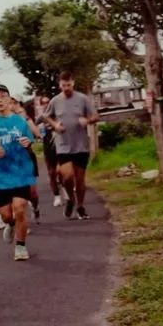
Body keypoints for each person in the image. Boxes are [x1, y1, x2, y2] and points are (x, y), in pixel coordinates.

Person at [0, 85, 38, 261]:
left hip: (20, 171)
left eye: (3, 96)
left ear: (9, 100)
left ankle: (21, 246)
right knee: (7, 215)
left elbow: (31, 141)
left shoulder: (20, 121)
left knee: (20, 209)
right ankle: (10, 224)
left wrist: (27, 143)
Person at [44, 72, 99, 220]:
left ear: (73, 83)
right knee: (67, 176)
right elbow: (46, 116)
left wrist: (87, 121)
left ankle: (80, 206)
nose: (66, 88)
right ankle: (70, 198)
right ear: (60, 85)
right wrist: (55, 124)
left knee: (80, 179)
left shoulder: (82, 99)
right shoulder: (55, 101)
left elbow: (95, 116)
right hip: (63, 145)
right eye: (63, 85)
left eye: (68, 85)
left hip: (80, 145)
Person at [36, 94, 64, 208]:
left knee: (60, 171)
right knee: (52, 173)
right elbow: (33, 127)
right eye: (43, 103)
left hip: (60, 145)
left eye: (48, 102)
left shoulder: (57, 114)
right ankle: (57, 196)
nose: (46, 105)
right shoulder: (41, 117)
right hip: (48, 146)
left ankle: (65, 189)